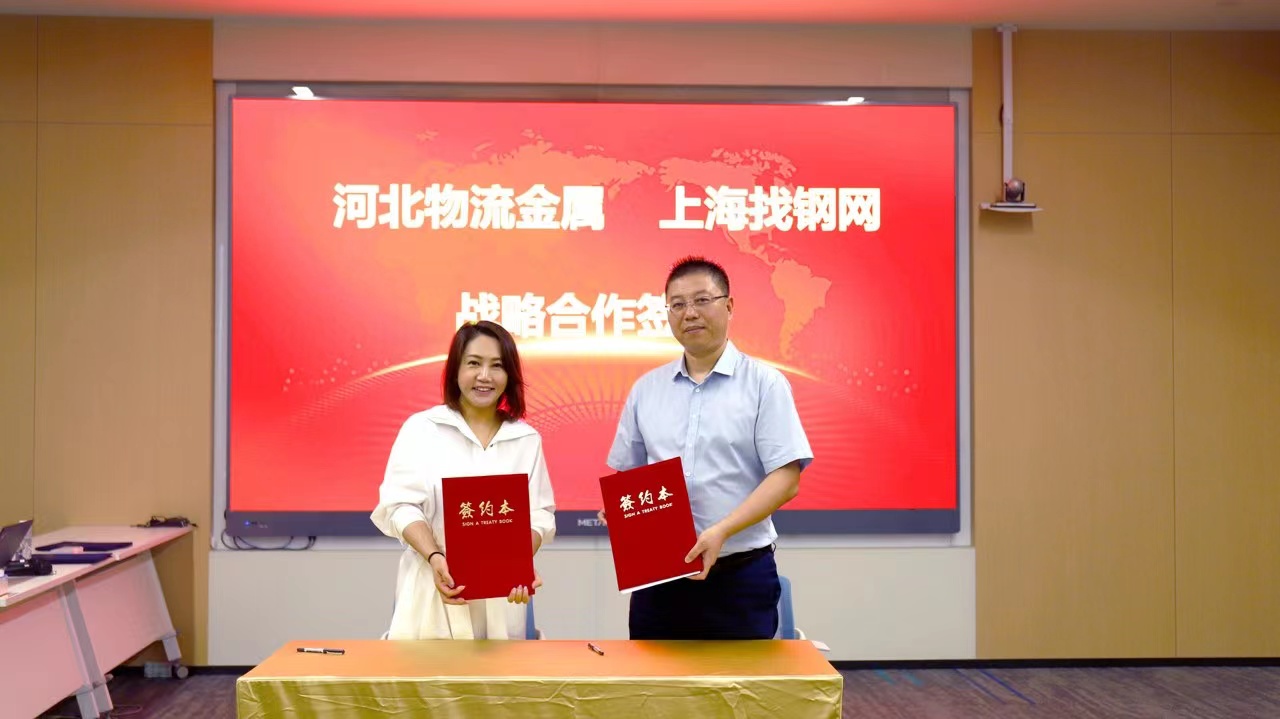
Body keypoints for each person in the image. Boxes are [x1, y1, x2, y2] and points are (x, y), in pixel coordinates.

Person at [603, 256, 812, 640]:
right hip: (659, 579)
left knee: (743, 680)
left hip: (740, 576)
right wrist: (621, 510)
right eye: (678, 304)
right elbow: (629, 474)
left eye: (702, 300)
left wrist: (721, 531)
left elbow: (787, 478)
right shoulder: (646, 390)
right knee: (653, 678)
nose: (690, 313)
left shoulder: (764, 384)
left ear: (729, 305)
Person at [371, 320, 555, 640]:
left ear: (510, 375)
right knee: (427, 672)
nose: (485, 376)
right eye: (473, 363)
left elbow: (539, 516)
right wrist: (435, 557)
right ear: (456, 369)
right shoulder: (422, 429)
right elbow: (401, 505)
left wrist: (518, 564)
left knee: (499, 672)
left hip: (501, 597)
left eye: (497, 365)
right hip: (433, 589)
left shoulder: (526, 439)